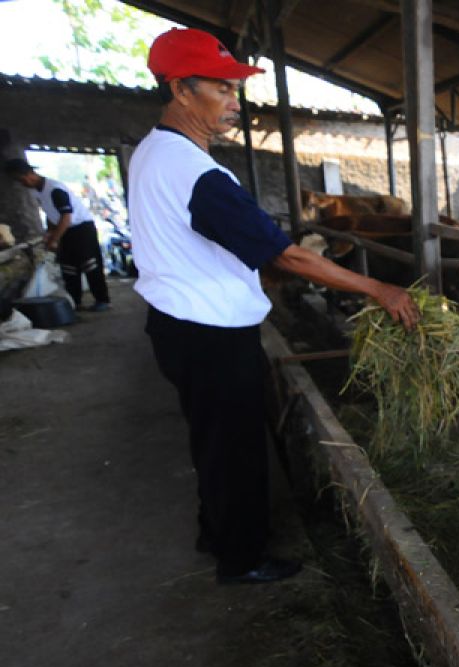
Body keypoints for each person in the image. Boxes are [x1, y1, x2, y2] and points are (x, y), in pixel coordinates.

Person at [130, 27, 420, 584]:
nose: (234, 101)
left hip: (178, 323)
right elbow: (287, 257)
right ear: (180, 90)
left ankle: (213, 531)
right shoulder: (195, 173)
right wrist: (378, 289)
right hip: (209, 333)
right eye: (222, 88)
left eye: (235, 89)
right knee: (236, 447)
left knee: (211, 437)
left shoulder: (152, 153)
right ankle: (241, 558)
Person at [6, 158, 113, 311]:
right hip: (67, 229)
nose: (22, 183)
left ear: (30, 174)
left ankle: (103, 300)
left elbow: (66, 217)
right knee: (68, 266)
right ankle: (75, 301)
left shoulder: (55, 189)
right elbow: (51, 215)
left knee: (90, 264)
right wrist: (49, 233)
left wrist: (54, 239)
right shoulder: (37, 191)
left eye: (21, 179)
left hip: (82, 228)